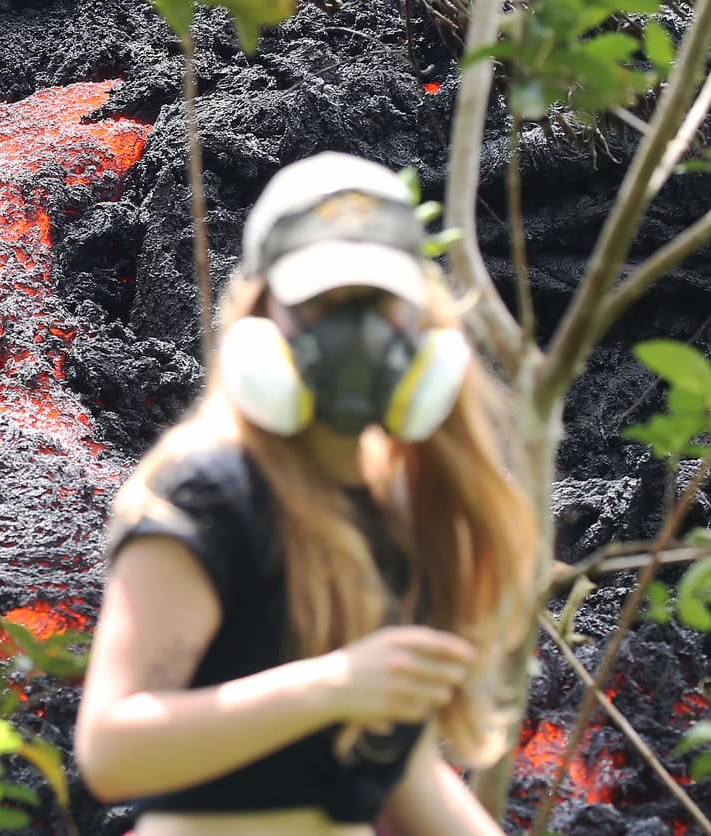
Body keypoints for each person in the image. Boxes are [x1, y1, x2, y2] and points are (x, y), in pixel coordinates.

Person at [73, 152, 537, 836]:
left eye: (380, 304)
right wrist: (334, 685)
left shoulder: (395, 510)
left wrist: (353, 692)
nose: (357, 335)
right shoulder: (207, 497)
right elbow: (113, 751)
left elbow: (396, 775)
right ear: (261, 319)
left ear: (422, 322)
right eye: (322, 304)